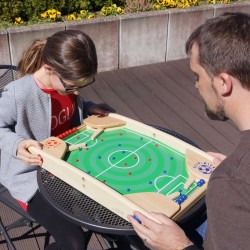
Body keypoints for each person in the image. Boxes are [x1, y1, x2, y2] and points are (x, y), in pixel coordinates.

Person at [128, 12, 250, 250]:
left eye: (198, 75)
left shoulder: (232, 183)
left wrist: (178, 245)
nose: (196, 85)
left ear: (223, 83)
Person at [0, 30, 115, 250]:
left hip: (69, 163)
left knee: (111, 215)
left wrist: (89, 107)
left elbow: (68, 104)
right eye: (72, 87)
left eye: (81, 86)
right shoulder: (18, 94)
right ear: (49, 68)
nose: (76, 91)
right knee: (74, 243)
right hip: (31, 178)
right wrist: (15, 145)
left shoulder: (65, 84)